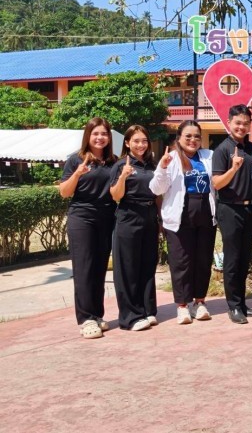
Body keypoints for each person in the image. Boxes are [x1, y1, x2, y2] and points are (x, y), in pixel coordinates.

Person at [149, 120, 216, 325]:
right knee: (181, 262)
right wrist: (162, 167)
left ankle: (199, 302)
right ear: (179, 138)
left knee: (203, 260)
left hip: (206, 214)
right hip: (179, 217)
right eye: (188, 136)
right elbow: (156, 189)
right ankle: (182, 305)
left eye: (196, 136)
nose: (193, 140)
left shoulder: (209, 156)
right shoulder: (170, 158)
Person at [59, 117, 117, 339]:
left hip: (107, 218)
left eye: (104, 133)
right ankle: (86, 319)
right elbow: (64, 192)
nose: (100, 137)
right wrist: (77, 173)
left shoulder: (113, 161)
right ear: (88, 136)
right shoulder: (76, 160)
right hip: (82, 218)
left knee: (99, 268)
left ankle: (97, 314)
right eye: (96, 133)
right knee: (84, 268)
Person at [211, 105, 252, 324]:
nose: (241, 127)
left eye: (245, 123)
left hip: (250, 208)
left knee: (244, 258)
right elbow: (216, 183)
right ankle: (233, 306)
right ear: (229, 123)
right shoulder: (222, 149)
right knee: (232, 260)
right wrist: (233, 169)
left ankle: (241, 303)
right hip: (230, 209)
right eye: (238, 123)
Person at [108, 125, 159, 331]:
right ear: (127, 143)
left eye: (144, 141)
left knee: (148, 264)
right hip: (129, 215)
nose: (141, 145)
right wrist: (123, 176)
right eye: (136, 141)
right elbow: (115, 195)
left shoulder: (151, 165)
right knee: (128, 267)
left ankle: (147, 310)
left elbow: (158, 192)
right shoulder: (121, 164)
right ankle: (130, 317)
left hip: (149, 215)